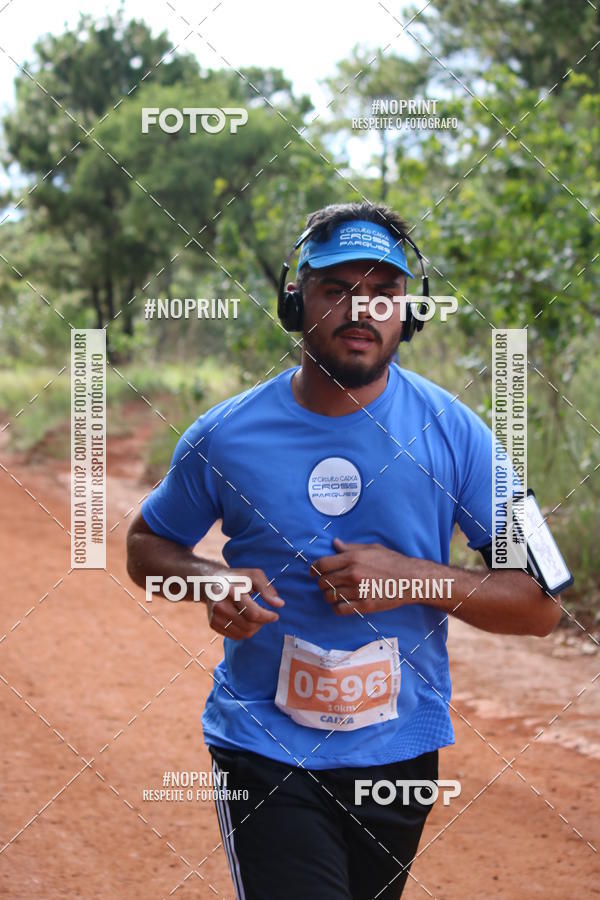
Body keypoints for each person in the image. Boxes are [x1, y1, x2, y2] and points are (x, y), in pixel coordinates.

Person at [126, 201, 561, 899]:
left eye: (384, 293)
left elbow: (541, 604)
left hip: (400, 754)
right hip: (264, 745)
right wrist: (208, 582)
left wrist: (411, 577)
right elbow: (146, 544)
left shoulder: (462, 437)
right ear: (297, 303)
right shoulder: (225, 436)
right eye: (338, 289)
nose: (363, 310)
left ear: (410, 313)